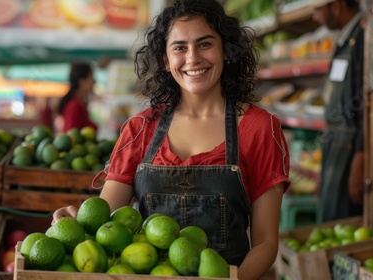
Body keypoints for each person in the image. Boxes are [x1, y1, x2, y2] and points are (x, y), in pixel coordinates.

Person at [53, 0, 290, 279]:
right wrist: (77, 223)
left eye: (205, 44)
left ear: (225, 50)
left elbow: (265, 242)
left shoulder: (260, 128)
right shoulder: (140, 129)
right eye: (180, 47)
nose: (193, 58)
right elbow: (105, 226)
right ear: (166, 60)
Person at [310, 0, 364, 222]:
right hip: (336, 148)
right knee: (332, 221)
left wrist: (361, 158)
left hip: (352, 152)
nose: (315, 16)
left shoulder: (363, 37)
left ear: (337, 6)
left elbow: (369, 105)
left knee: (346, 223)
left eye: (317, 9)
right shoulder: (344, 39)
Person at [57, 62, 98, 132]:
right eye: (91, 77)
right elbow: (71, 136)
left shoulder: (81, 104)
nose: (94, 81)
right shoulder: (74, 106)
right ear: (81, 81)